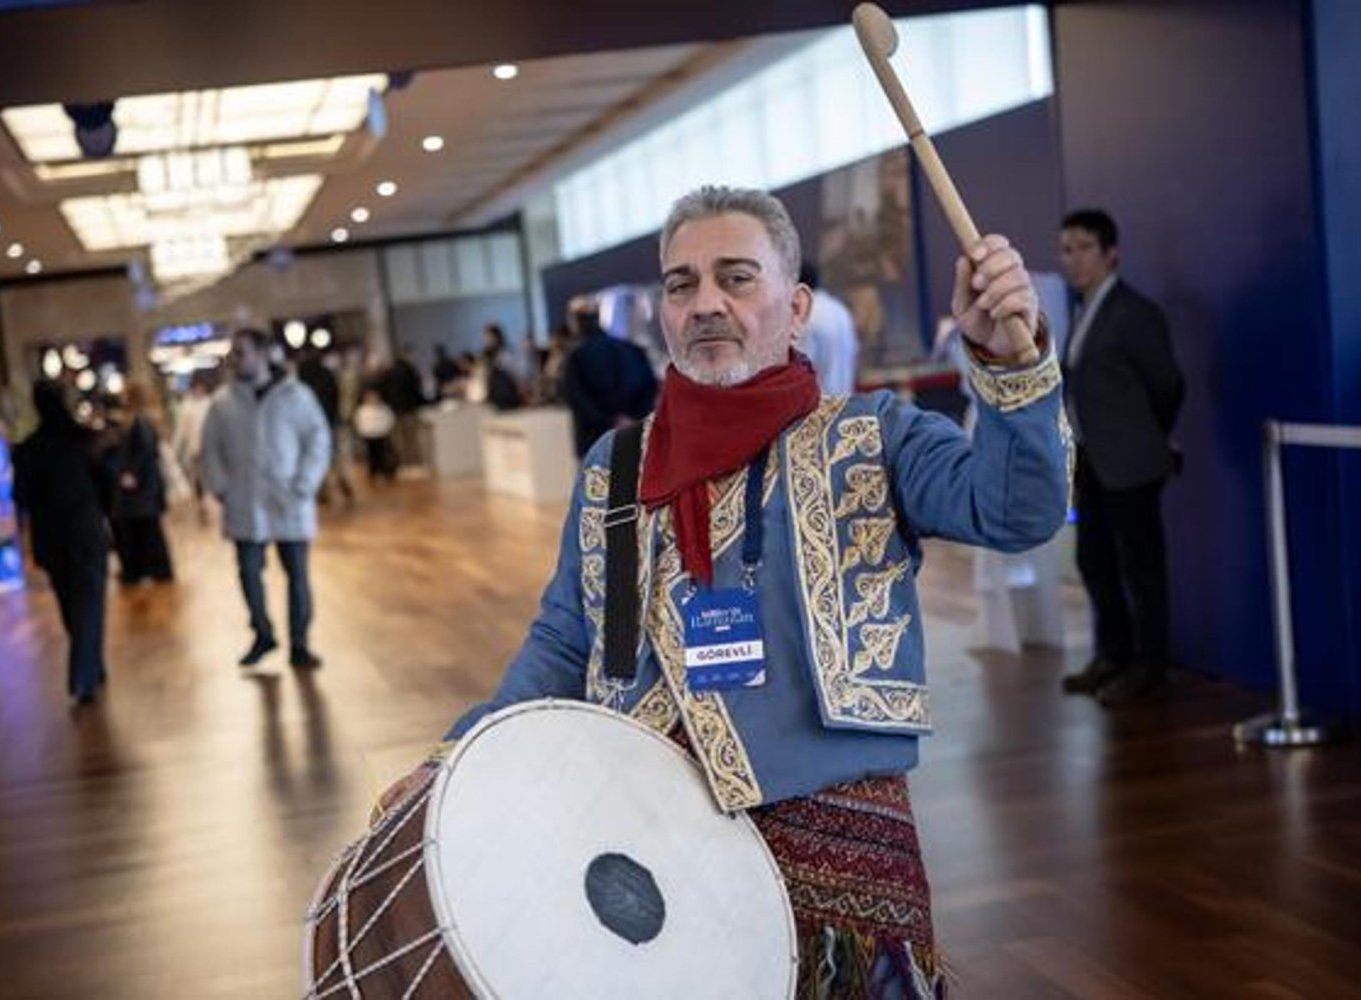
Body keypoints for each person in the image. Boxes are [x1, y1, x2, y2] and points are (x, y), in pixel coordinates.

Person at [377, 186, 1070, 994]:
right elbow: (567, 640)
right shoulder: (615, 466)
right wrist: (456, 760)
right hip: (643, 834)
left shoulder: (873, 436)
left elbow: (1018, 510)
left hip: (838, 843)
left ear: (796, 303)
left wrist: (1012, 366)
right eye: (682, 284)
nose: (705, 303)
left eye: (736, 278)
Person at [1056, 209, 1184, 705]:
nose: (1073, 259)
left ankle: (1151, 666)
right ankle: (1113, 654)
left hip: (1130, 463)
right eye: (1066, 249)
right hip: (1091, 460)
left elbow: (1167, 385)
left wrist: (1146, 437)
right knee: (1095, 561)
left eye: (1084, 247)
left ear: (1112, 253)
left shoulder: (1135, 312)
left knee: (1142, 568)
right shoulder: (1084, 311)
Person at [201, 328, 331, 672]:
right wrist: (220, 487)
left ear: (262, 354)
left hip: (289, 498)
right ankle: (262, 633)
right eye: (234, 353)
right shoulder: (223, 402)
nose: (235, 359)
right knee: (248, 572)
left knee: (297, 576)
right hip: (243, 500)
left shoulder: (296, 395)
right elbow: (209, 449)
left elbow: (318, 439)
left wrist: (305, 483)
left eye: (242, 352)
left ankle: (300, 644)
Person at [13, 380, 112, 706]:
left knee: (71, 602)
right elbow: (104, 485)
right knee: (89, 600)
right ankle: (85, 671)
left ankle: (90, 667)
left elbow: (21, 497)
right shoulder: (82, 440)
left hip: (51, 537)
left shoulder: (28, 449)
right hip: (85, 531)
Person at [560, 296, 660, 457]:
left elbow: (575, 398)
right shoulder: (631, 348)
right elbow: (650, 387)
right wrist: (633, 419)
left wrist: (610, 422)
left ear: (575, 321)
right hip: (633, 438)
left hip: (595, 443)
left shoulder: (575, 356)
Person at [105, 381, 174, 584]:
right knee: (146, 530)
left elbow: (144, 453)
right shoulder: (143, 419)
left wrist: (130, 474)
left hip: (140, 489)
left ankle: (144, 570)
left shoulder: (139, 421)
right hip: (145, 488)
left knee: (143, 530)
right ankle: (149, 569)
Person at [297, 347, 355, 504]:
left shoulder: (301, 378)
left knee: (315, 458)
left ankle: (322, 492)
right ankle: (343, 484)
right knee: (334, 456)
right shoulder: (327, 374)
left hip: (310, 425)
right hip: (329, 422)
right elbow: (336, 397)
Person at [797, 261, 859, 395]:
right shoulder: (840, 309)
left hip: (820, 408)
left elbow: (801, 366)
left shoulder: (807, 314)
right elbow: (854, 353)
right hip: (846, 401)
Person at [171, 376, 214, 522]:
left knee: (212, 477)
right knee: (199, 479)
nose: (198, 390)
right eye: (196, 387)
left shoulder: (211, 403)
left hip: (213, 450)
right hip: (196, 449)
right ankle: (203, 504)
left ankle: (213, 503)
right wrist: (175, 449)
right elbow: (181, 430)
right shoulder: (186, 406)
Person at [352, 388, 398, 483]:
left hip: (381, 434)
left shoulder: (384, 409)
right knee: (371, 454)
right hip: (368, 435)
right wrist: (361, 431)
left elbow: (390, 419)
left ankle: (383, 472)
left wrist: (386, 430)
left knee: (381, 454)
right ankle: (373, 471)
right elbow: (358, 422)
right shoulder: (362, 410)